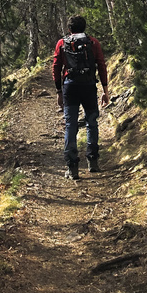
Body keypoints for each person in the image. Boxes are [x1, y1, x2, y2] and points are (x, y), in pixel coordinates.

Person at [52, 15, 109, 180]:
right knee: (92, 123)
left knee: (70, 125)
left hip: (70, 87)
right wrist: (105, 90)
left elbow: (56, 67)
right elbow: (101, 65)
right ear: (84, 28)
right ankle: (93, 162)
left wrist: (58, 91)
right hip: (89, 86)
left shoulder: (62, 43)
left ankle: (72, 167)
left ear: (69, 29)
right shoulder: (93, 43)